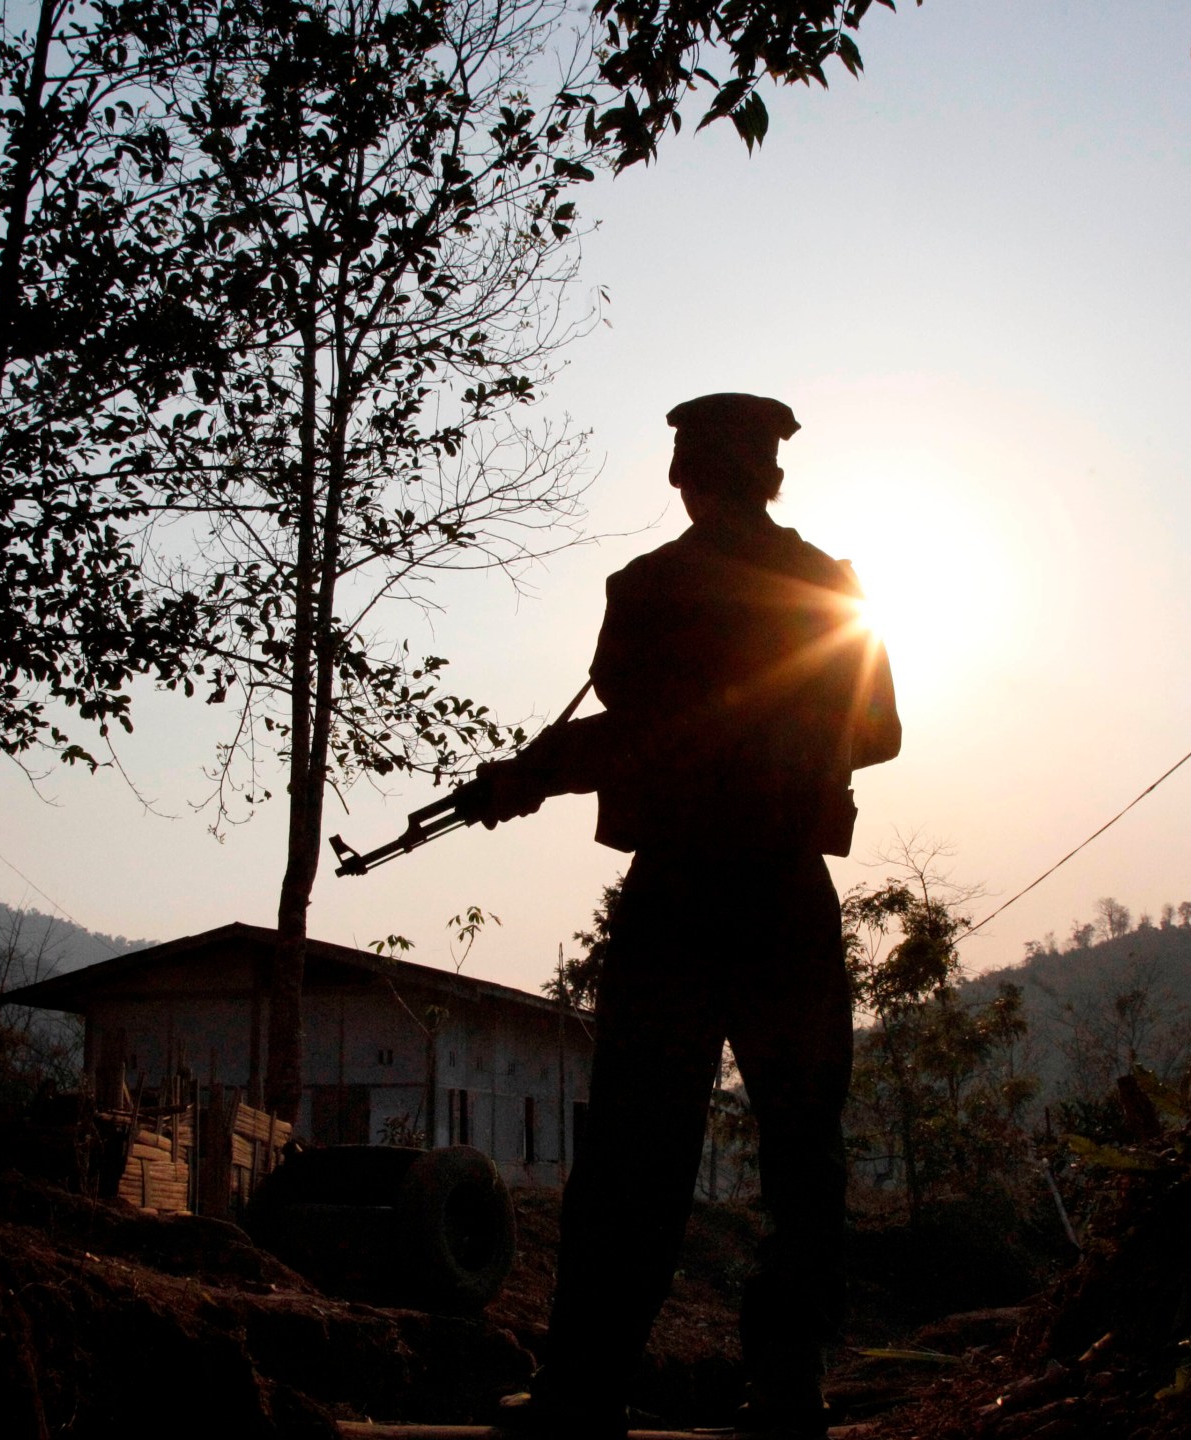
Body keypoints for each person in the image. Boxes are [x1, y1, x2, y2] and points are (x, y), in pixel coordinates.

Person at [461, 392, 900, 1440]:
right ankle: (789, 1385)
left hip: (680, 895)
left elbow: (638, 734)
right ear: (772, 475)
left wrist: (534, 775)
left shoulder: (647, 588)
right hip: (787, 892)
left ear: (683, 477)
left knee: (632, 1153)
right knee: (803, 1149)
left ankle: (584, 1391)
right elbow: (879, 732)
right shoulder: (832, 587)